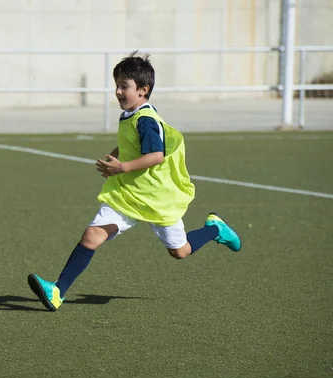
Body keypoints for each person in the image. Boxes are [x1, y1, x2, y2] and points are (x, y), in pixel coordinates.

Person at [27, 51, 241, 312]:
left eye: (124, 86)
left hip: (156, 198)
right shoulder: (132, 114)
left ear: (143, 90)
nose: (118, 91)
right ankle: (58, 291)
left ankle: (215, 229)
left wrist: (123, 167)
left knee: (181, 251)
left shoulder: (147, 121)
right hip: (128, 194)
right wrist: (116, 157)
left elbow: (156, 155)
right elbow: (132, 144)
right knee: (92, 235)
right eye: (116, 85)